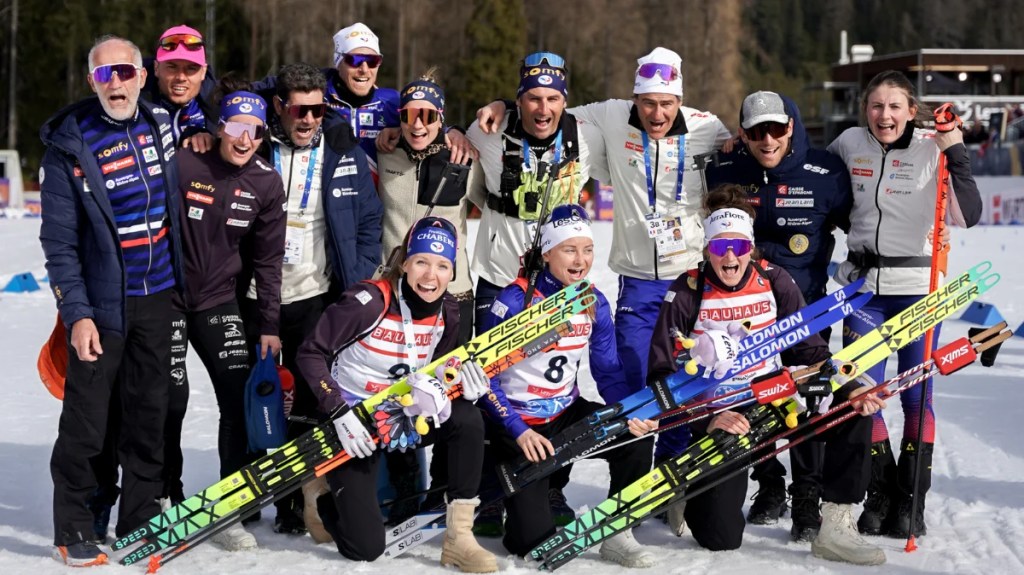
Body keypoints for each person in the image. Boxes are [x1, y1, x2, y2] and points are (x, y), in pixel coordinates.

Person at [646, 184, 886, 566]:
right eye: (719, 246)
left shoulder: (775, 279)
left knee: (851, 408)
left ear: (750, 248)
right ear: (706, 248)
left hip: (778, 396)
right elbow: (660, 373)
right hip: (726, 414)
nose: (729, 256)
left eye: (739, 247)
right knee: (721, 538)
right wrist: (706, 419)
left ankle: (837, 526)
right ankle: (691, 493)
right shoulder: (688, 291)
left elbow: (811, 350)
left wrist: (852, 387)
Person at [476, 47, 731, 402]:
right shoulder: (611, 116)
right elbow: (547, 112)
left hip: (690, 275)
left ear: (680, 100)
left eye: (667, 103)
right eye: (647, 103)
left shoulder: (707, 127)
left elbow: (749, 151)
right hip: (637, 279)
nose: (657, 114)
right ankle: (638, 454)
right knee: (635, 382)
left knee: (692, 380)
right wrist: (503, 104)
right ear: (634, 99)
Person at [39, 34, 184, 566]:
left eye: (125, 72)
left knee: (149, 418)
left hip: (160, 299)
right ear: (91, 82)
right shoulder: (69, 146)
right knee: (87, 423)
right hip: (102, 308)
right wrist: (76, 314)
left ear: (143, 77)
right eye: (105, 75)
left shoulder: (162, 125)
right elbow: (58, 243)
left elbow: (214, 86)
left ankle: (140, 521)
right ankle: (73, 526)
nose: (116, 83)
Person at [827, 70, 982, 539]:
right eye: (876, 106)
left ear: (910, 111)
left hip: (917, 286)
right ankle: (880, 491)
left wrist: (954, 148)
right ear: (865, 110)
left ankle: (912, 499)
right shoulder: (849, 142)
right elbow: (814, 179)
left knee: (916, 396)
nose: (885, 115)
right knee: (863, 396)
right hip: (863, 289)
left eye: (895, 106)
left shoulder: (930, 148)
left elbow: (968, 215)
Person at [296, 217, 497, 573]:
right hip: (354, 422)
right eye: (421, 262)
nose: (430, 276)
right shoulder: (368, 301)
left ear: (453, 272)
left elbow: (439, 371)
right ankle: (321, 496)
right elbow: (311, 353)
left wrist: (465, 386)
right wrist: (338, 411)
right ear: (404, 263)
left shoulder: (449, 311)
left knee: (467, 417)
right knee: (365, 548)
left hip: (403, 415)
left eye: (442, 266)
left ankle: (459, 537)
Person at [706, 90, 853, 540]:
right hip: (744, 312)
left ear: (790, 126)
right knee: (754, 398)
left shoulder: (825, 171)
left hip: (805, 310)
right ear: (742, 134)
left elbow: (863, 224)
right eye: (755, 132)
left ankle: (807, 495)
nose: (766, 140)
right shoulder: (726, 167)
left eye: (774, 129)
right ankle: (768, 484)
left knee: (808, 404)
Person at [243, 61, 383, 536]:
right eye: (298, 109)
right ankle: (243, 499)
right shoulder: (254, 140)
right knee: (247, 395)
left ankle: (299, 501)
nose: (307, 120)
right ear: (279, 106)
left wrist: (357, 279)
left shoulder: (340, 145)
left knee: (307, 402)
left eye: (318, 109)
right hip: (253, 294)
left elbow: (368, 221)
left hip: (316, 293)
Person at [479, 204, 658, 567]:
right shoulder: (514, 300)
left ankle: (617, 531)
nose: (581, 260)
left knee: (636, 435)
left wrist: (631, 411)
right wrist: (517, 430)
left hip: (563, 413)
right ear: (547, 252)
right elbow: (486, 380)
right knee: (530, 543)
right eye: (569, 249)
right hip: (517, 423)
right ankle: (506, 498)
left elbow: (607, 372)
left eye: (587, 249)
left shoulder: (592, 300)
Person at [466, 51, 588, 529]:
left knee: (555, 387)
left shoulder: (587, 130)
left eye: (552, 98)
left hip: (560, 282)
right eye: (532, 98)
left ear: (565, 99)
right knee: (493, 387)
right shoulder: (489, 130)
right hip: (500, 278)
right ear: (518, 100)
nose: (543, 108)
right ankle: (491, 492)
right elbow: (460, 141)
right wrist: (474, 117)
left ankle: (549, 486)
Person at [174, 88, 287, 551]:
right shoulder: (185, 163)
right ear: (220, 126)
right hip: (169, 299)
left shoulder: (265, 182)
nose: (245, 139)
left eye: (255, 131)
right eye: (237, 127)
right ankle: (166, 495)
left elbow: (268, 262)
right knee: (166, 397)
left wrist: (269, 325)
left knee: (238, 394)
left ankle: (233, 505)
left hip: (221, 300)